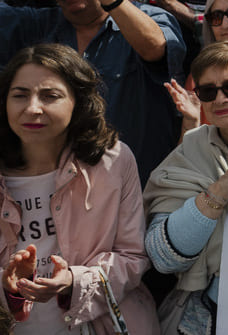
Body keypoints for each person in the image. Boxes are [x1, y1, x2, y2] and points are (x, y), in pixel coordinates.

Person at [0, 0, 185, 183]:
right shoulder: (38, 26)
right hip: (63, 193)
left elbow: (156, 48)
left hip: (138, 186)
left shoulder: (149, 18)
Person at [0, 44, 159, 333]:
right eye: (20, 95)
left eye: (50, 96)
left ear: (78, 102)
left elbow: (133, 257)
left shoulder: (114, 161)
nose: (32, 107)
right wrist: (7, 287)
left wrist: (74, 281)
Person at [143, 42, 228, 335]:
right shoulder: (189, 154)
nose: (220, 99)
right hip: (214, 314)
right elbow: (163, 256)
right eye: (208, 92)